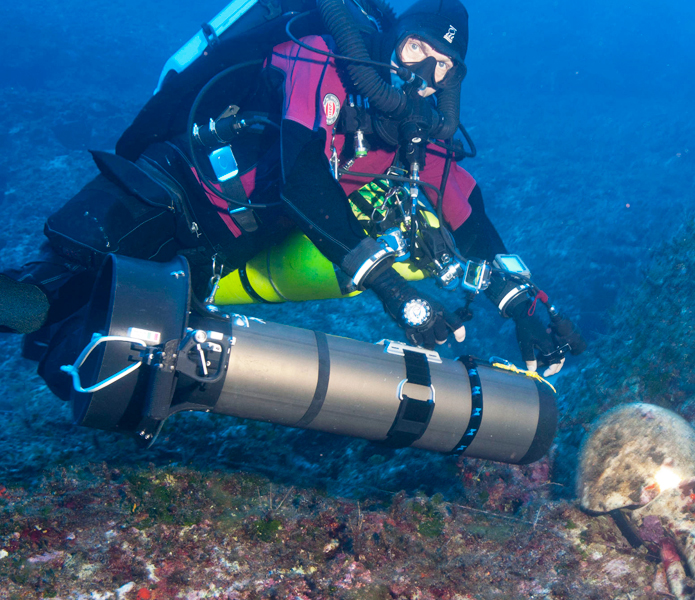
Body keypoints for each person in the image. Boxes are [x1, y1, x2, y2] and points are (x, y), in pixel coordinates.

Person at [0, 0, 585, 400]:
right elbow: (302, 175)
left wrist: (529, 309)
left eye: (442, 66)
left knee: (97, 347)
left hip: (226, 245)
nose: (423, 72)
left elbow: (470, 218)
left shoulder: (416, 137)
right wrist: (394, 291)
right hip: (170, 186)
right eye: (416, 49)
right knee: (41, 294)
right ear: (393, 39)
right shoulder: (320, 56)